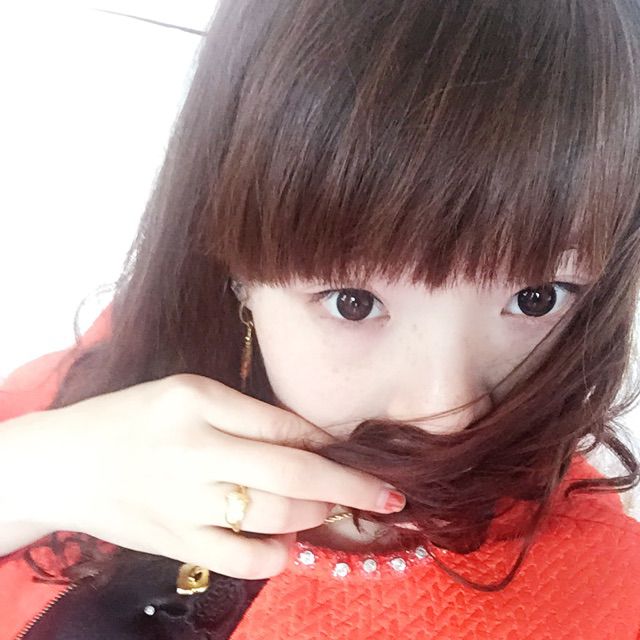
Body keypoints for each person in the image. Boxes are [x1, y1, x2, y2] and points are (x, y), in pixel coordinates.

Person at [1, 0, 640, 638]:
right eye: (353, 302)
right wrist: (38, 474)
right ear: (238, 272)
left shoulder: (595, 589)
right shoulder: (132, 381)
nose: (444, 414)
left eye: (537, 298)